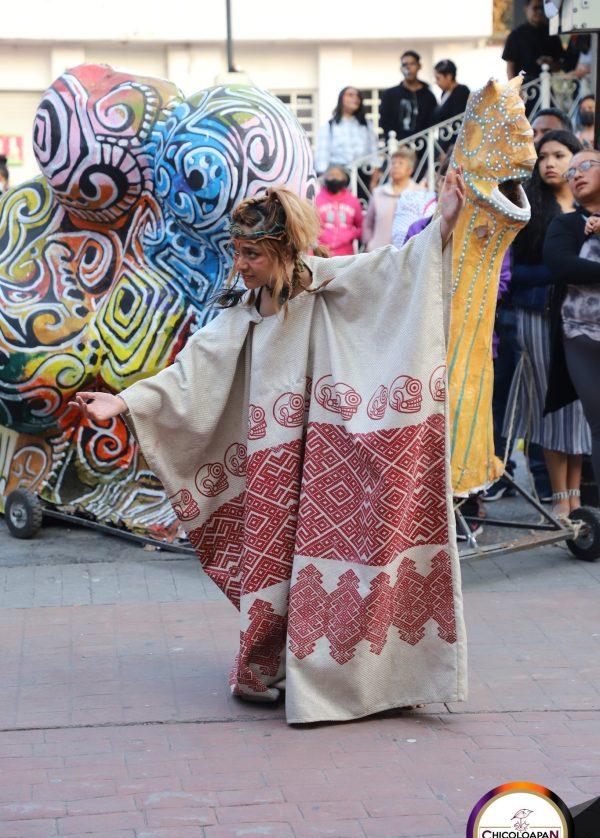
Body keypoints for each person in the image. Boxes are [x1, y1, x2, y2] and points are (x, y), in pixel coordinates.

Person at [70, 175, 468, 724]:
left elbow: (400, 270)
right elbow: (195, 369)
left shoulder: (330, 282)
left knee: (353, 562)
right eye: (236, 251)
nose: (240, 263)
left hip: (335, 454)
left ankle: (369, 676)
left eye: (251, 253)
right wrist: (125, 404)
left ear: (283, 252)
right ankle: (266, 665)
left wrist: (444, 222)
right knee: (271, 562)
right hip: (276, 459)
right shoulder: (245, 309)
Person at [503, 131, 590, 517]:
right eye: (543, 157)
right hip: (537, 315)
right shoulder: (529, 208)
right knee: (551, 401)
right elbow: (514, 272)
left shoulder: (589, 205)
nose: (550, 163)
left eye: (559, 154)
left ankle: (575, 496)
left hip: (582, 319)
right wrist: (562, 271)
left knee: (579, 406)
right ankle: (560, 499)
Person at [544, 148, 600, 492]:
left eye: (586, 166)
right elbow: (561, 264)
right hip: (583, 336)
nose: (576, 174)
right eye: (572, 171)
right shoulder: (566, 223)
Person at [363, 147, 423, 250]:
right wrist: (369, 244)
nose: (395, 166)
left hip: (408, 254)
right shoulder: (379, 193)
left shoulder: (420, 193)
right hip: (378, 255)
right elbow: (368, 223)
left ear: (410, 170)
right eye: (393, 163)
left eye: (400, 163)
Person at [314, 86, 379, 176]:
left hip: (363, 175)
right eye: (350, 95)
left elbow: (374, 152)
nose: (355, 98)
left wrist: (375, 174)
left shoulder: (367, 125)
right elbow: (322, 155)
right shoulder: (330, 126)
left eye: (358, 96)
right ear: (341, 99)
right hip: (338, 176)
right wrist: (324, 176)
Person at [379, 50, 437, 143]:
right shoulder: (390, 95)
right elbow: (384, 122)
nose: (408, 68)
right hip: (396, 149)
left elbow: (432, 123)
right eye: (405, 64)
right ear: (401, 68)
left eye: (412, 64)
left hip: (422, 149)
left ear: (419, 66)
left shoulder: (428, 96)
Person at [502, 1, 566, 82]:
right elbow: (510, 67)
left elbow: (559, 65)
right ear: (526, 9)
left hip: (546, 85)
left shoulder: (551, 33)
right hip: (524, 86)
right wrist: (515, 90)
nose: (539, 12)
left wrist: (550, 64)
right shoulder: (515, 35)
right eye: (535, 8)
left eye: (541, 8)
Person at [315, 165, 363, 256]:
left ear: (344, 178)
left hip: (345, 254)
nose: (334, 178)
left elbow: (361, 226)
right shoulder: (317, 199)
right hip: (321, 253)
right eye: (331, 175)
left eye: (337, 175)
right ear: (325, 178)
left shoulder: (353, 201)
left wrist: (350, 234)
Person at [432, 60, 470, 125]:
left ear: (449, 77)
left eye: (438, 78)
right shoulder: (444, 93)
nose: (436, 82)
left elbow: (457, 117)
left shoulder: (461, 91)